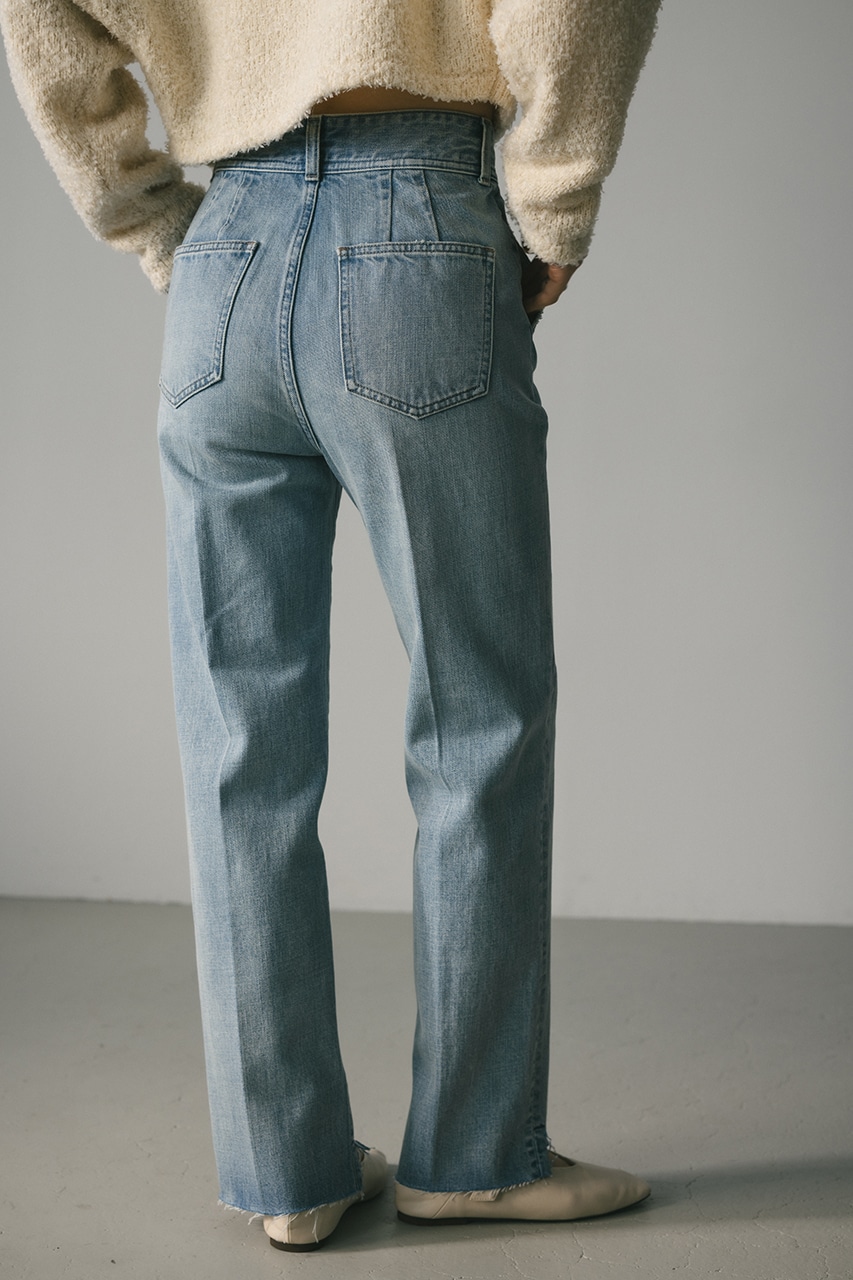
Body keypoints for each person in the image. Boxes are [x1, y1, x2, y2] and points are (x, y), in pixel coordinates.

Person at [1, 0, 661, 1254]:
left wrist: (143, 211)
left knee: (238, 747)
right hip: (418, 221)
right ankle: (473, 1154)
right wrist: (554, 201)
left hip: (224, 248)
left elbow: (41, 16)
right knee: (480, 719)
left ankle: (286, 1170)